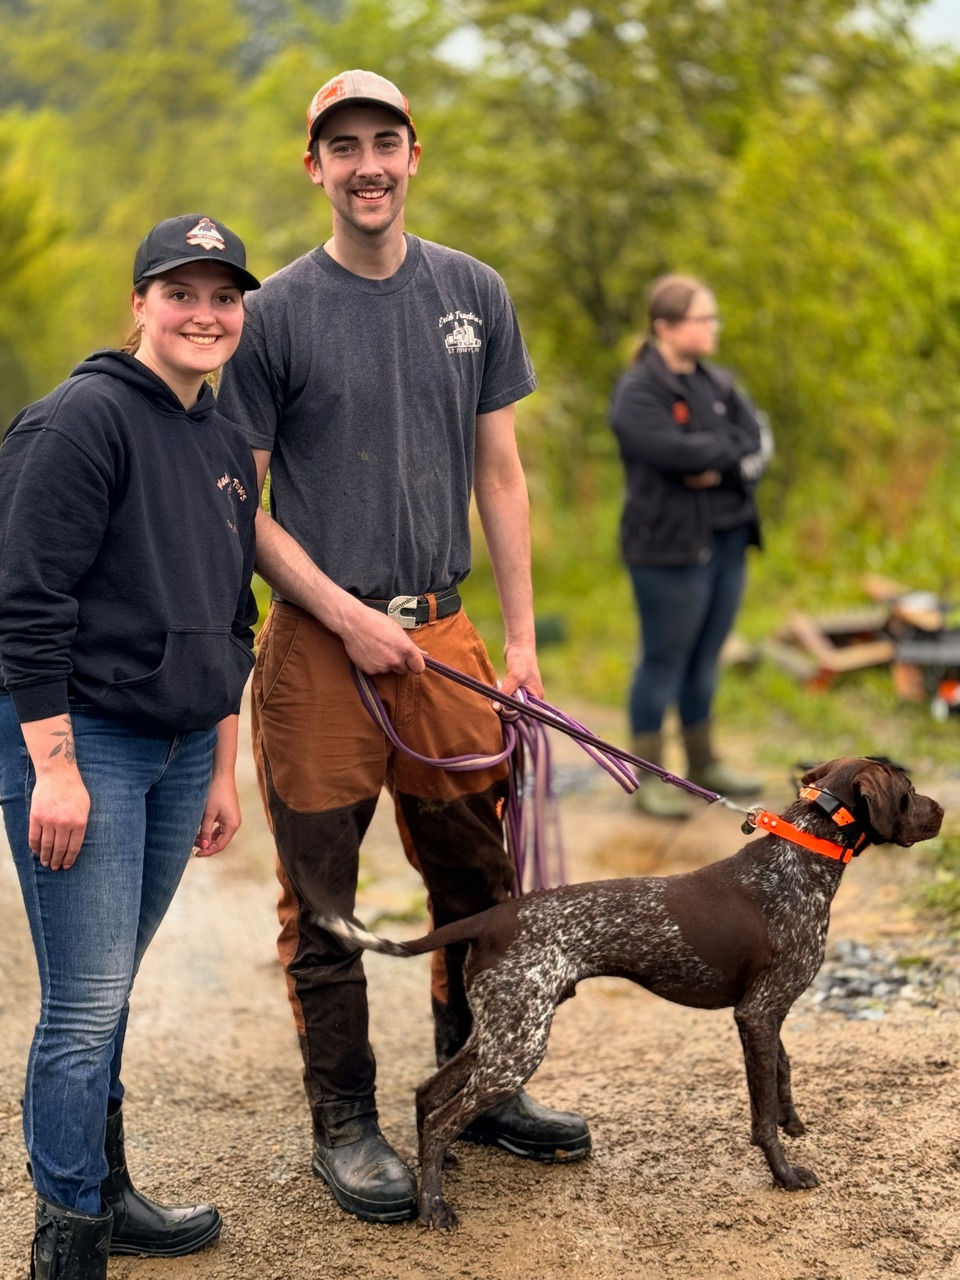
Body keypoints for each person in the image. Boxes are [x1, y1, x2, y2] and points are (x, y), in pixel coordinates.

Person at [216, 68, 590, 1224]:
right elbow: (247, 501)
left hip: (448, 639)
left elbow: (502, 472)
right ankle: (346, 1123)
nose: (367, 164)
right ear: (314, 167)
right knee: (321, 898)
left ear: (414, 156)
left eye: (386, 141)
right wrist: (342, 613)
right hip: (323, 648)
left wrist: (518, 642)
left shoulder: (474, 290)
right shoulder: (272, 313)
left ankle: (475, 1088)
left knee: (478, 877)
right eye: (344, 147)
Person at [0, 214, 261, 1279]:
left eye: (223, 297)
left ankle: (108, 1192)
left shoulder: (215, 431)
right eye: (182, 292)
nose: (205, 313)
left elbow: (230, 607)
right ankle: (69, 1241)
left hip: (179, 747)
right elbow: (25, 603)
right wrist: (55, 768)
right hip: (88, 747)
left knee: (112, 984)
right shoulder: (79, 420)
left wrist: (222, 760)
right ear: (141, 304)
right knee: (81, 1003)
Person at [609, 273, 772, 818]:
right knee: (663, 659)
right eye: (704, 318)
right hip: (668, 549)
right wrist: (711, 456)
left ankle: (702, 762)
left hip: (727, 539)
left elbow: (754, 441)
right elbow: (669, 453)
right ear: (666, 327)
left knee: (706, 656)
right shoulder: (638, 392)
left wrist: (709, 459)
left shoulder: (718, 382)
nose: (714, 327)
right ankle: (649, 778)